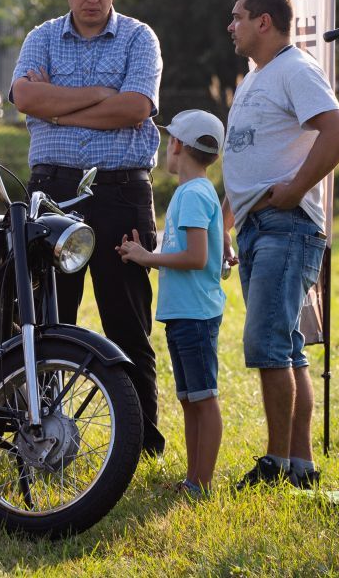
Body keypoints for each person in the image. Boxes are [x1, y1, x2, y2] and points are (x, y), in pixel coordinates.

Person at [9, 0, 166, 455]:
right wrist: (102, 94)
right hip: (52, 192)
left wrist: (57, 110)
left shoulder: (141, 38)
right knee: (51, 319)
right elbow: (25, 98)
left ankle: (141, 439)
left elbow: (137, 108)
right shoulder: (42, 37)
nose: (92, 0)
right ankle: (46, 433)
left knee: (127, 321)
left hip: (121, 191)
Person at [222, 0, 339, 489]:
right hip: (259, 225)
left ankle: (275, 463)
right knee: (289, 346)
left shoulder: (296, 69)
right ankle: (300, 466)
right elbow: (247, 158)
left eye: (237, 17)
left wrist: (296, 188)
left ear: (264, 22)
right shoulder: (254, 78)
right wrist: (230, 223)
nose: (231, 26)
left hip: (287, 225)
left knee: (266, 343)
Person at [118, 110, 227, 496]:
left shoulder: (194, 193)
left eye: (169, 141)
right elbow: (193, 249)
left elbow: (195, 257)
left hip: (195, 315)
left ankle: (202, 483)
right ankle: (193, 479)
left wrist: (147, 258)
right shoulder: (193, 192)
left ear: (178, 145)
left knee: (203, 399)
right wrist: (144, 249)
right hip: (185, 314)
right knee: (189, 399)